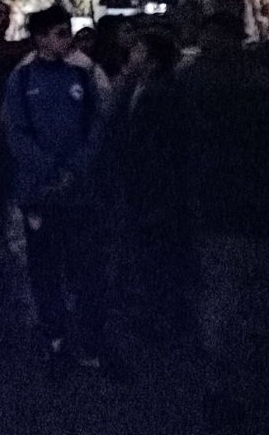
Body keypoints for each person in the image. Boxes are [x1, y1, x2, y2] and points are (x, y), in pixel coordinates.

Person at [4, 4, 106, 368]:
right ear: (40, 39)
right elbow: (15, 131)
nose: (68, 40)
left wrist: (75, 167)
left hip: (78, 191)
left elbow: (97, 124)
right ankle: (56, 336)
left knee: (84, 266)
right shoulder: (22, 79)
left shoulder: (81, 75)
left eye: (67, 32)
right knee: (44, 268)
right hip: (40, 192)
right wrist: (50, 169)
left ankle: (90, 336)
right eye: (60, 33)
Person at [117, 28, 190, 340]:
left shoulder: (161, 93)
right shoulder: (140, 88)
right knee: (153, 256)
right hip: (147, 187)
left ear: (150, 59)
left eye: (137, 51)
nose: (131, 56)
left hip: (157, 189)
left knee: (160, 256)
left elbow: (160, 147)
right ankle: (159, 316)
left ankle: (165, 319)